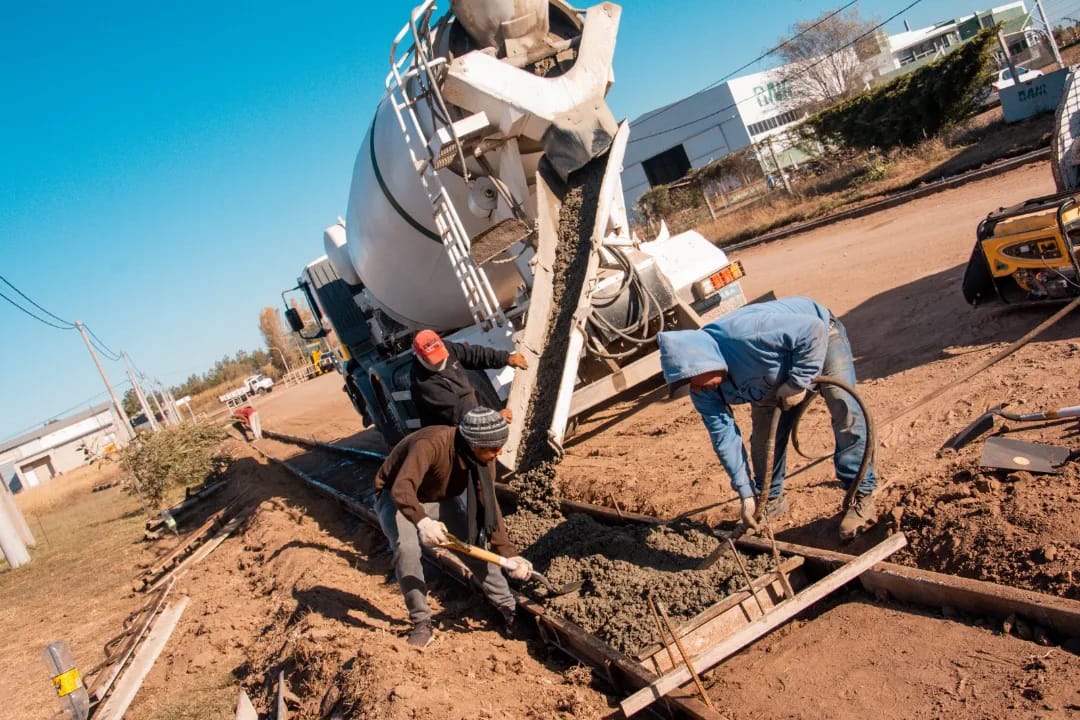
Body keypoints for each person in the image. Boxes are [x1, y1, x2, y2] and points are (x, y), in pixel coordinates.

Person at [656, 296, 878, 540]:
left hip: (820, 339)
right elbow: (725, 440)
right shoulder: (704, 391)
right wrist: (746, 494)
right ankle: (769, 500)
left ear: (701, 362)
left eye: (692, 381)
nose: (695, 390)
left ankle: (861, 494)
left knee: (844, 408)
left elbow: (812, 330)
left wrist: (798, 382)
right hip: (770, 377)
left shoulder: (745, 336)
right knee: (764, 439)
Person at [373, 407, 534, 648]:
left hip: (440, 496)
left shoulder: (484, 458)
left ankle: (509, 609)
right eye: (493, 448)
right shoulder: (431, 444)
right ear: (473, 444)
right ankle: (421, 622)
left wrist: (509, 555)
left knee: (472, 547)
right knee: (407, 549)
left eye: (500, 446)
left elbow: (488, 507)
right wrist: (423, 522)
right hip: (398, 498)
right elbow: (401, 488)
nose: (498, 453)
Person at [410, 329, 528, 427]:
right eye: (435, 360)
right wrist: (492, 418)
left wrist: (506, 358)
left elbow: (473, 354)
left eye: (441, 356)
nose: (441, 362)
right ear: (421, 357)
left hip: (474, 405)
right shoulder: (424, 385)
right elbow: (459, 412)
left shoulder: (447, 347)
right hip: (459, 426)